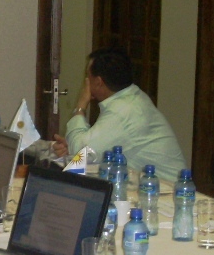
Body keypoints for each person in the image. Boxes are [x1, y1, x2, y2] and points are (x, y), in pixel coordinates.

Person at [52, 48, 186, 179]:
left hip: (166, 189)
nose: (85, 81)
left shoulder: (123, 111)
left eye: (87, 76)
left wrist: (80, 106)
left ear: (98, 82)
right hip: (147, 184)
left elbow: (81, 151)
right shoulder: (132, 97)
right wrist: (73, 148)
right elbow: (89, 153)